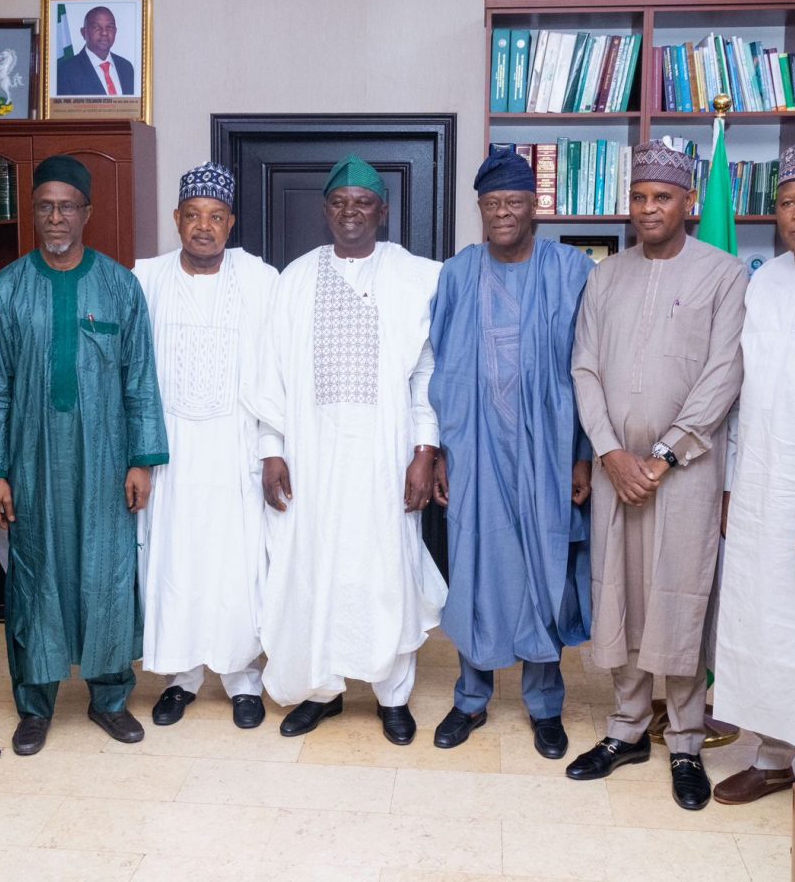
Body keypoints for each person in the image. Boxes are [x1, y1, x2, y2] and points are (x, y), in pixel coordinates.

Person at [568, 140, 747, 811]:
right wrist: (611, 452)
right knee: (621, 595)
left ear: (688, 203)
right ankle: (627, 729)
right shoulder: (605, 277)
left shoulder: (725, 274)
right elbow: (584, 368)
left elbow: (723, 375)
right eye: (639, 197)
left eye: (662, 197)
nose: (648, 208)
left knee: (679, 596)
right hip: (618, 470)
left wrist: (665, 454)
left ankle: (687, 742)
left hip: (686, 470)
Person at [256, 154, 447, 745]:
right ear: (325, 212)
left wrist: (424, 450)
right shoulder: (295, 278)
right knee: (316, 569)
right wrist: (271, 448)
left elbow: (426, 375)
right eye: (339, 203)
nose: (350, 213)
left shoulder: (420, 277)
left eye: (362, 203)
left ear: (383, 212)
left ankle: (393, 697)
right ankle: (323, 691)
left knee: (387, 569)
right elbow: (272, 375)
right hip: (312, 459)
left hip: (387, 457)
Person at [0, 155, 167, 756]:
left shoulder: (119, 286)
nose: (56, 216)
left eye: (67, 205)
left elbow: (140, 378)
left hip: (106, 459)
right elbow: (0, 386)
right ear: (32, 212)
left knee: (106, 571)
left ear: (87, 212)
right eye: (45, 205)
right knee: (35, 574)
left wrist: (141, 459)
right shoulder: (10, 288)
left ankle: (110, 698)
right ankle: (34, 706)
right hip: (34, 461)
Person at [428, 149, 593, 758]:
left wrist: (581, 455)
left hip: (548, 452)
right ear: (480, 209)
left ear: (534, 208)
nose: (503, 214)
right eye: (492, 204)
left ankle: (545, 706)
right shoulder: (457, 274)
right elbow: (437, 368)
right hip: (474, 452)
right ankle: (470, 699)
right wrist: (441, 454)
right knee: (475, 567)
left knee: (543, 570)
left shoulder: (571, 270)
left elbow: (588, 369)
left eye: (514, 203)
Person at [711, 138, 795, 804]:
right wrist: (731, 482)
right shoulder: (764, 281)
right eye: (789, 202)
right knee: (754, 618)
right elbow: (742, 392)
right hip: (756, 479)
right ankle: (765, 753)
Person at [133, 162, 277, 729]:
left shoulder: (262, 280)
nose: (203, 227)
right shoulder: (145, 279)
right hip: (170, 453)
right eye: (192, 215)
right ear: (176, 219)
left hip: (235, 448)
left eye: (215, 217)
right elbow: (131, 370)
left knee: (238, 567)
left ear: (231, 223)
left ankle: (244, 680)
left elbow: (277, 369)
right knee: (175, 563)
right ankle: (181, 677)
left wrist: (271, 447)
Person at [56, 6, 135, 96]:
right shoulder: (66, 71)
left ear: (115, 32)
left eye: (109, 27)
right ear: (83, 32)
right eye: (96, 27)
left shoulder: (126, 68)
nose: (104, 33)